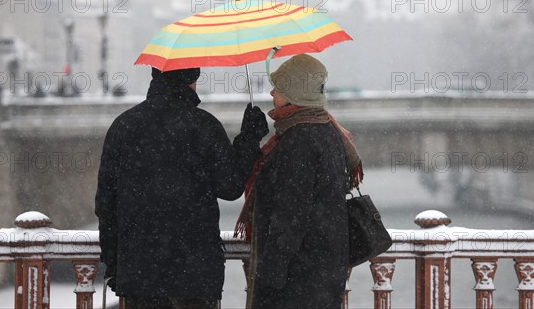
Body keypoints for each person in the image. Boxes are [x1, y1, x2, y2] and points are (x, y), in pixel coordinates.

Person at [95, 67, 269, 309]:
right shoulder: (203, 125)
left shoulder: (122, 126)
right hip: (194, 273)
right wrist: (249, 138)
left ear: (156, 77)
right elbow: (230, 187)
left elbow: (106, 204)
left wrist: (114, 266)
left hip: (139, 271)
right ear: (190, 80)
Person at [235, 54, 363, 309]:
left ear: (295, 92)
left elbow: (291, 214)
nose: (272, 91)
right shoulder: (324, 128)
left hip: (297, 280)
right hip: (320, 272)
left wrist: (270, 276)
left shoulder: (299, 140)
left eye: (279, 87)